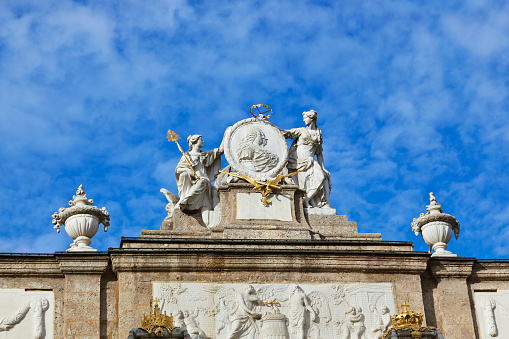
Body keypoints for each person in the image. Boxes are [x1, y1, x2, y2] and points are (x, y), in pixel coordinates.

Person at [283, 110, 331, 208]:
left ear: (312, 119)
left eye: (306, 118)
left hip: (310, 160)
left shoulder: (318, 134)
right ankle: (305, 201)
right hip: (298, 161)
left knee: (321, 177)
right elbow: (287, 133)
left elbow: (319, 153)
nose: (304, 120)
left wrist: (323, 167)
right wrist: (270, 128)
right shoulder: (301, 131)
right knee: (303, 184)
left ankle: (307, 199)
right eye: (304, 119)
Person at [175, 135, 223, 228]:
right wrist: (188, 171)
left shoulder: (205, 154)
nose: (203, 141)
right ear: (194, 141)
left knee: (207, 211)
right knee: (192, 178)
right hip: (194, 182)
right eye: (201, 140)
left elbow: (220, 151)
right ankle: (187, 200)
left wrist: (227, 134)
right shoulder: (187, 156)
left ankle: (213, 226)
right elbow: (178, 169)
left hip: (205, 183)